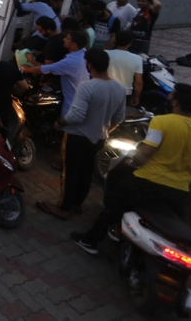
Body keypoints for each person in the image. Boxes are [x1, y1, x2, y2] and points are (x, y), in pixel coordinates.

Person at [73, 84, 191, 254]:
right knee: (176, 227)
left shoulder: (162, 121)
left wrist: (134, 162)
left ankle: (90, 241)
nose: (169, 98)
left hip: (148, 181)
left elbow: (146, 151)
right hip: (180, 190)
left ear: (176, 103)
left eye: (172, 96)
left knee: (113, 207)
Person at [37, 48, 126, 221]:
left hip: (77, 136)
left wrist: (60, 122)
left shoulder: (87, 86)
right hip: (99, 138)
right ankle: (77, 204)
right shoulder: (119, 88)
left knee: (70, 171)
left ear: (89, 65)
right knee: (86, 171)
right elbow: (118, 118)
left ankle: (63, 207)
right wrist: (105, 130)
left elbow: (76, 116)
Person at [24, 30, 91, 116]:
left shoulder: (71, 62)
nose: (64, 39)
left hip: (71, 105)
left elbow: (45, 69)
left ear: (73, 45)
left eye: (67, 38)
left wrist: (25, 67)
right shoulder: (83, 52)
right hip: (81, 99)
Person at [107, 30, 143, 106]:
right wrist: (136, 97)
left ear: (115, 40)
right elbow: (138, 82)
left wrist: (110, 44)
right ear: (130, 43)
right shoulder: (137, 59)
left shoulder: (106, 54)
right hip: (125, 93)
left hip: (106, 91)